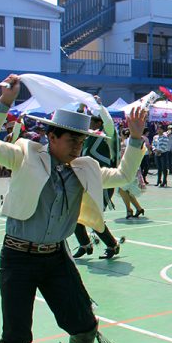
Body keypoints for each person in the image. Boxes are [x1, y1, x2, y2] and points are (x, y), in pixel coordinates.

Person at [0, 74, 146, 343]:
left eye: (82, 140)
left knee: (85, 325)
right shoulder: (25, 155)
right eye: (72, 139)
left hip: (55, 257)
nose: (78, 146)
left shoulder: (86, 169)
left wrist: (136, 138)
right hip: (18, 257)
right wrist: (4, 103)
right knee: (17, 336)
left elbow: (126, 176)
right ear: (52, 136)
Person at [71, 106, 126, 260]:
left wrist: (100, 107)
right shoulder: (86, 137)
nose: (88, 124)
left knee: (94, 215)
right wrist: (80, 109)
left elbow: (109, 122)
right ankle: (85, 244)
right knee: (74, 213)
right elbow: (73, 124)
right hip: (83, 180)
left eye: (91, 121)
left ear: (98, 123)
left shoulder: (107, 135)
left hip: (103, 180)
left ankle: (112, 245)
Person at [117, 128, 147, 218]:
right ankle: (138, 208)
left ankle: (129, 210)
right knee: (126, 191)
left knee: (122, 190)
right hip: (133, 169)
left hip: (126, 169)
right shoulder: (133, 145)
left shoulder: (123, 145)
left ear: (123, 135)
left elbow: (121, 159)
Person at [151, 123, 172, 187]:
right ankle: (158, 180)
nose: (159, 130)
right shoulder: (155, 137)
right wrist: (155, 150)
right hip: (156, 153)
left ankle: (164, 180)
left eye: (160, 129)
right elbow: (153, 144)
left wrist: (160, 151)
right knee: (159, 168)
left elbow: (165, 144)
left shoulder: (165, 136)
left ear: (163, 130)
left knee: (164, 167)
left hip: (163, 153)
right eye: (158, 129)